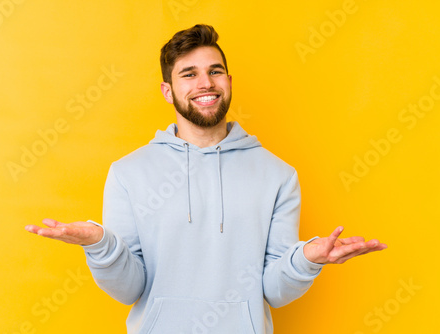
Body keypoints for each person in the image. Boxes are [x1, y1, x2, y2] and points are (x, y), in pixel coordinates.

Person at [25, 24, 387, 333]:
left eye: (215, 71)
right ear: (168, 91)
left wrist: (306, 259)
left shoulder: (278, 175)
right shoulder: (128, 173)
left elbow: (274, 290)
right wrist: (101, 245)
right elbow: (129, 287)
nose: (205, 83)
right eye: (189, 74)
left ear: (228, 82)